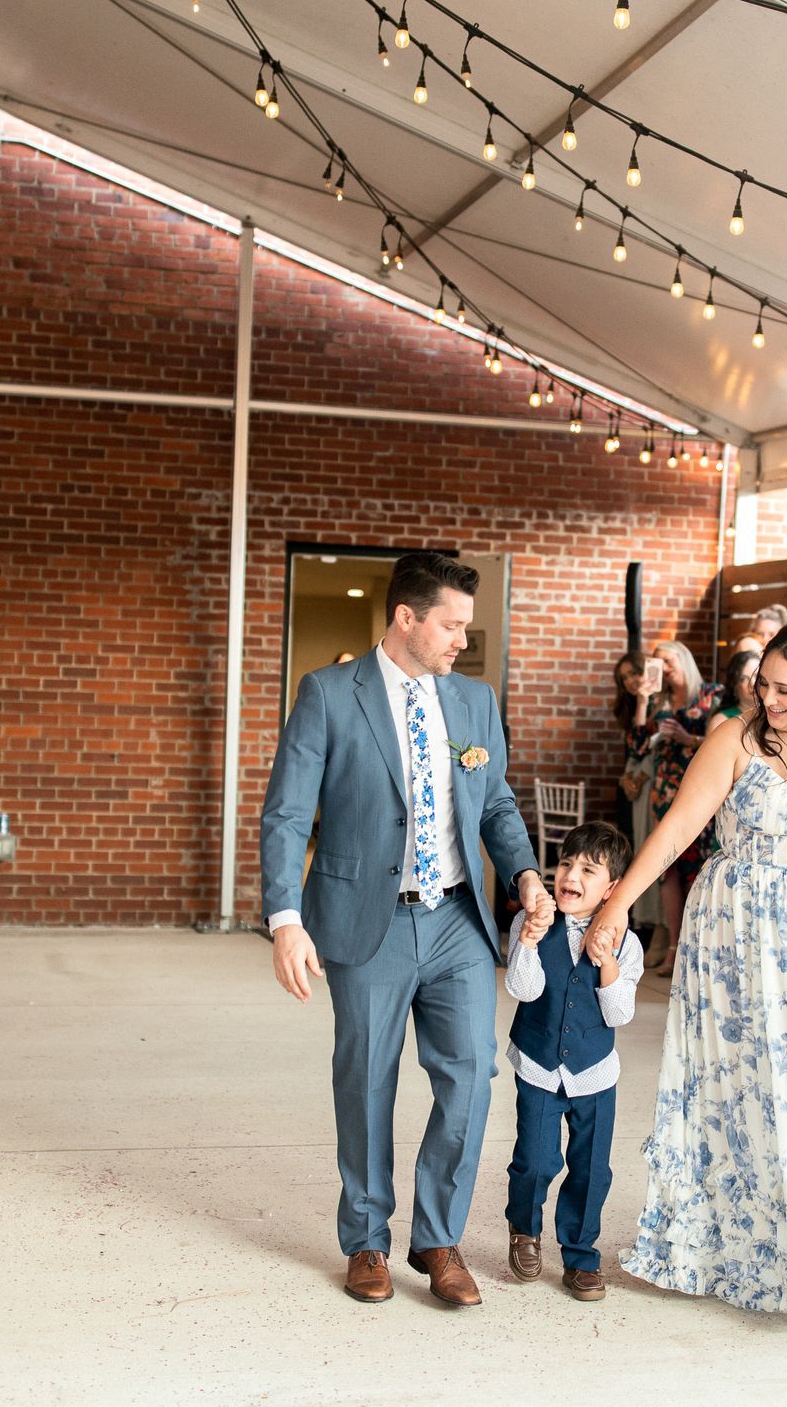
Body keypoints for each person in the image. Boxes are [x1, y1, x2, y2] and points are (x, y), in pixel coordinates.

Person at [587, 618, 787, 1317]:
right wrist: (616, 908)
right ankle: (740, 1250)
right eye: (763, 685)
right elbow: (676, 831)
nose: (769, 699)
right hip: (742, 936)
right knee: (751, 1091)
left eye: (784, 688)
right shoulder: (735, 739)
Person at [259, 553, 553, 1309]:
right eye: (451, 625)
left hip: (457, 917)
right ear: (406, 618)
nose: (461, 639)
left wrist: (524, 875)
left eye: (465, 625)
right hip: (367, 920)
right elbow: (289, 813)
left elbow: (495, 804)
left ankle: (438, 1237)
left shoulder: (475, 702)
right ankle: (365, 1239)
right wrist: (286, 920)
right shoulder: (328, 694)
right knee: (365, 1080)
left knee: (471, 1075)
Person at [502, 821, 644, 1303]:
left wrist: (607, 962)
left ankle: (581, 1254)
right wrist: (527, 940)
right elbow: (524, 990)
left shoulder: (627, 943)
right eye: (566, 863)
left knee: (591, 1169)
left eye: (589, 869)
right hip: (540, 1065)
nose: (571, 875)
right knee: (535, 1160)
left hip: (595, 1072)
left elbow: (619, 1013)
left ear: (612, 889)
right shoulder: (533, 923)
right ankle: (524, 1228)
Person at [628, 640, 721, 978]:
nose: (664, 670)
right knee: (668, 872)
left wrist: (687, 738)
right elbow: (638, 746)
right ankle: (673, 949)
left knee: (698, 871)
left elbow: (721, 740)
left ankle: (697, 949)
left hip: (700, 789)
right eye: (658, 664)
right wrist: (642, 700)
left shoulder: (710, 695)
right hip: (665, 790)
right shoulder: (660, 701)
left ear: (684, 659)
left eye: (668, 662)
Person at [612, 653, 665, 963]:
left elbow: (643, 746)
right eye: (625, 678)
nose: (632, 681)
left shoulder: (662, 703)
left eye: (634, 673)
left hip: (657, 785)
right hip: (638, 787)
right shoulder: (635, 707)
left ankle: (659, 931)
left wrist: (646, 702)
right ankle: (649, 928)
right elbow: (636, 747)